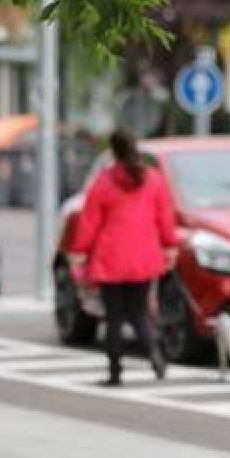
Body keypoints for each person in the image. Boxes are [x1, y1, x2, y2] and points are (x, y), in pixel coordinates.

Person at [68, 130, 177, 386]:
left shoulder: (104, 181)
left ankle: (115, 372)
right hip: (143, 257)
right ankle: (154, 354)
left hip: (111, 259)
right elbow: (165, 217)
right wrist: (169, 245)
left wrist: (79, 251)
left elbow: (89, 222)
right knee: (139, 313)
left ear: (113, 151)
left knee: (114, 318)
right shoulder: (153, 179)